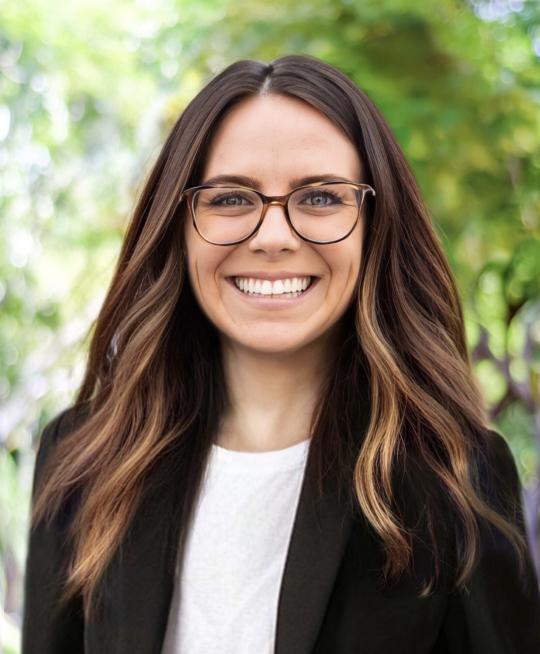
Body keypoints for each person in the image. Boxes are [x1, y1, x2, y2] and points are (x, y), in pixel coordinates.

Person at [21, 54, 540, 654]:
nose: (273, 237)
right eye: (230, 199)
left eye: (320, 198)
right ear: (179, 224)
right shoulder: (83, 460)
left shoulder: (453, 476)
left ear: (374, 224)